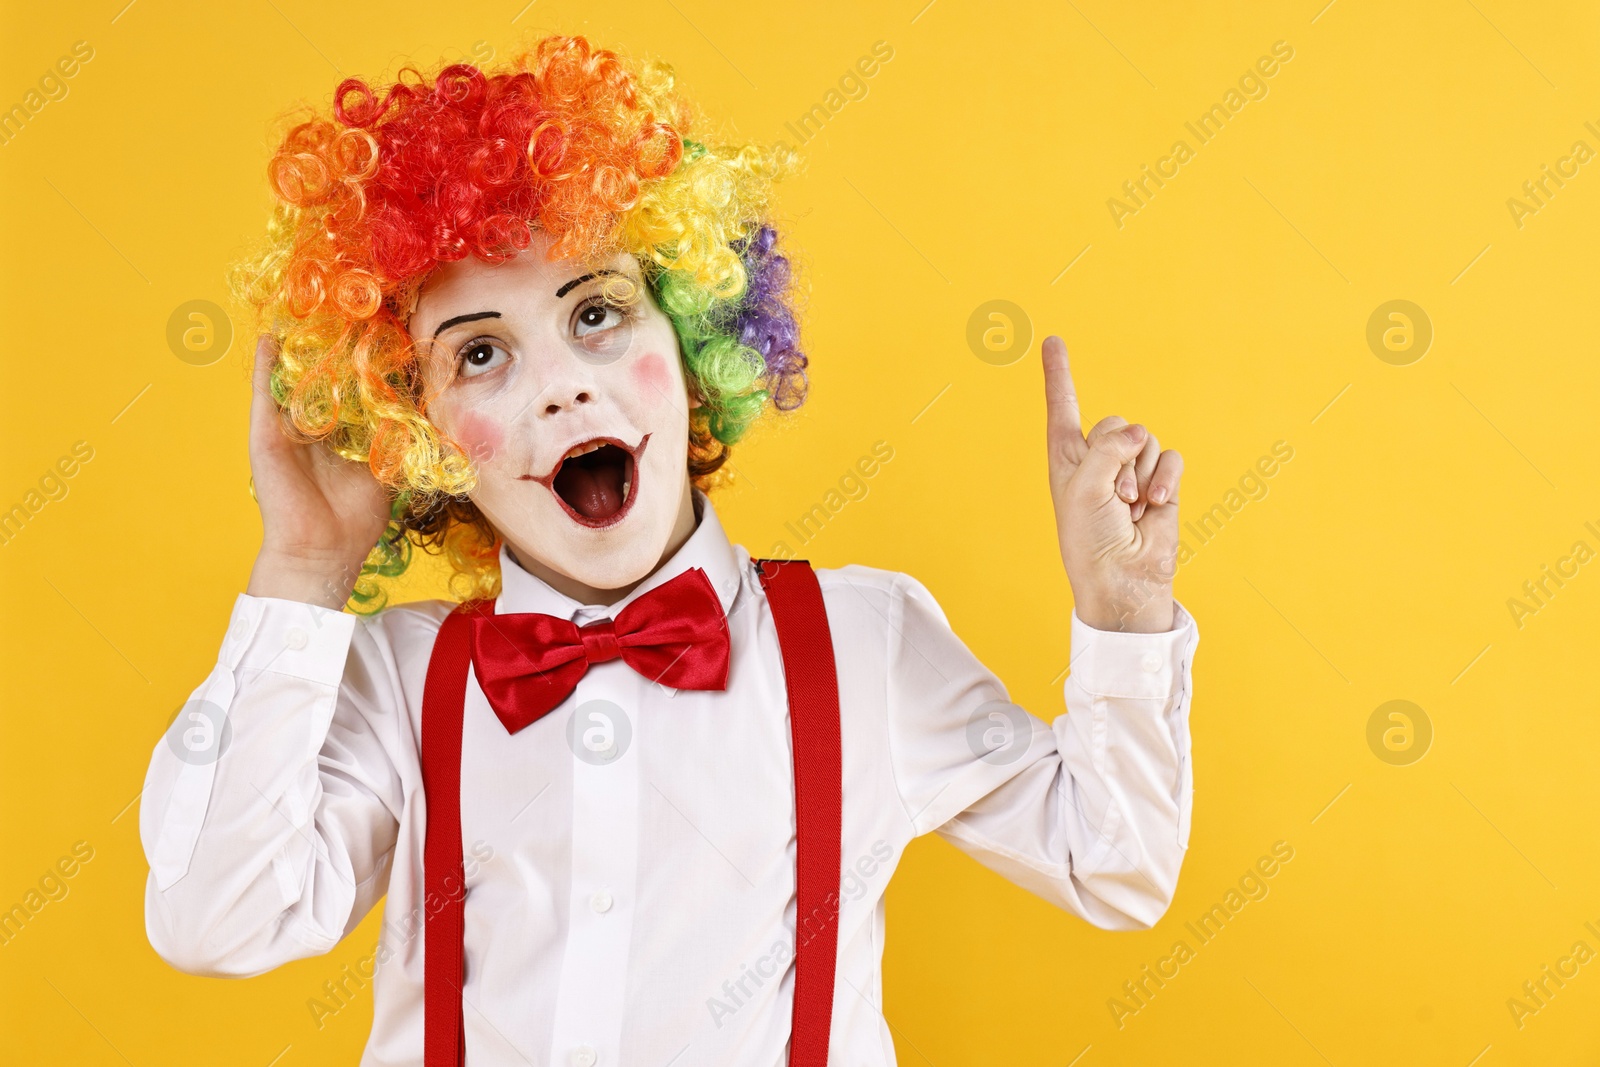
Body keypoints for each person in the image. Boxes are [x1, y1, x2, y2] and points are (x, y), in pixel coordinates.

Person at [139, 33, 1199, 1067]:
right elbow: (217, 919)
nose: (560, 383)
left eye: (596, 311)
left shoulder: (865, 638)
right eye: (479, 353)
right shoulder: (396, 678)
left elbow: (1114, 865)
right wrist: (305, 573)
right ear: (415, 429)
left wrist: (1123, 611)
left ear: (696, 344)